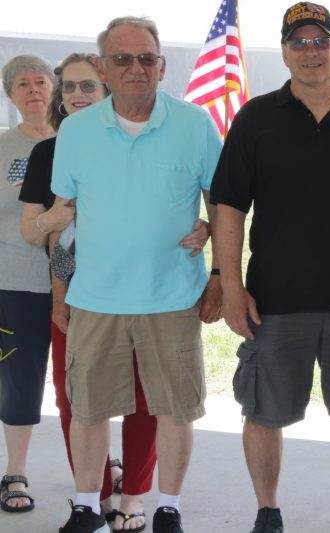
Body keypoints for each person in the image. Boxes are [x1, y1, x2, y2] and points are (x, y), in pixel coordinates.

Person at [210, 3, 330, 532]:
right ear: (285, 52)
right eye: (300, 42)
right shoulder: (256, 118)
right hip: (274, 300)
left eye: (321, 41)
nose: (311, 52)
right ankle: (268, 511)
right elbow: (228, 208)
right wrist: (232, 286)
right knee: (263, 410)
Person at [18, 52, 207, 533]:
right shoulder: (58, 148)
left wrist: (207, 235)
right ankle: (91, 501)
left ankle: (144, 499)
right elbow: (59, 231)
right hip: (86, 297)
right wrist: (60, 288)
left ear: (104, 89)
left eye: (87, 87)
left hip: (164, 297)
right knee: (81, 403)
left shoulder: (184, 126)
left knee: (157, 404)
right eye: (70, 87)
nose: (78, 96)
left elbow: (215, 198)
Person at [0, 53, 54, 516]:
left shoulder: (78, 141)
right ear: (10, 95)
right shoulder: (3, 145)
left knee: (89, 380)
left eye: (40, 80)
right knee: (21, 378)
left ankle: (97, 464)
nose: (33, 89)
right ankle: (14, 471)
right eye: (23, 84)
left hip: (83, 282)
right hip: (17, 281)